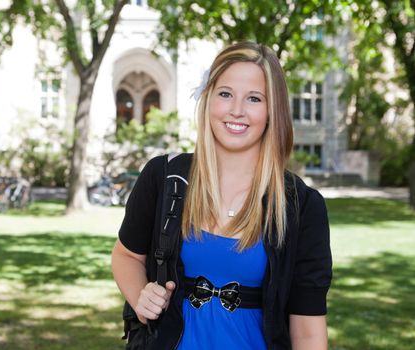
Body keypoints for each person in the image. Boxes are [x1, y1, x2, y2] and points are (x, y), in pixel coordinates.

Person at [111, 41, 332, 350]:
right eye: (226, 94)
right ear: (208, 98)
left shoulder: (301, 206)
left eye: (254, 98)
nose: (237, 110)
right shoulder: (164, 178)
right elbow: (127, 256)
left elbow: (308, 332)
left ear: (273, 111)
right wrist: (141, 298)